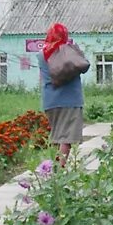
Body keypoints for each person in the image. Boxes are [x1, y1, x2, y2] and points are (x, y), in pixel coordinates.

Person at [38, 22, 85, 167]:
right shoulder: (69, 51)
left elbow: (41, 77)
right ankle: (59, 171)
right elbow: (84, 64)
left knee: (56, 136)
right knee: (67, 138)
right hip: (70, 101)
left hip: (50, 101)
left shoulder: (41, 55)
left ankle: (51, 167)